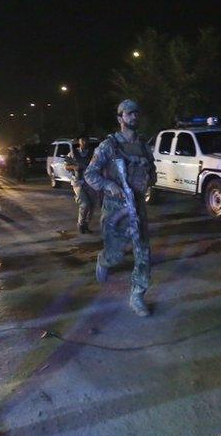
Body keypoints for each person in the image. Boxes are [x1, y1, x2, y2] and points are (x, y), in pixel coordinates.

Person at [85, 99, 156, 317]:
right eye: (129, 113)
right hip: (115, 208)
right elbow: (90, 174)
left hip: (137, 207)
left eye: (137, 113)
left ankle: (137, 296)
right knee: (116, 255)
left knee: (143, 254)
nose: (134, 116)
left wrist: (147, 177)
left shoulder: (144, 146)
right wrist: (109, 185)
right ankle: (104, 260)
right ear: (120, 118)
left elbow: (152, 174)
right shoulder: (109, 146)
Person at [64, 136, 98, 233]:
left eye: (85, 140)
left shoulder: (93, 153)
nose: (84, 142)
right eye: (82, 140)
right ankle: (80, 224)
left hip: (90, 181)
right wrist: (74, 167)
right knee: (85, 203)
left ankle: (85, 225)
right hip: (78, 182)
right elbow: (66, 166)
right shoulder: (73, 153)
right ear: (78, 141)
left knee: (92, 205)